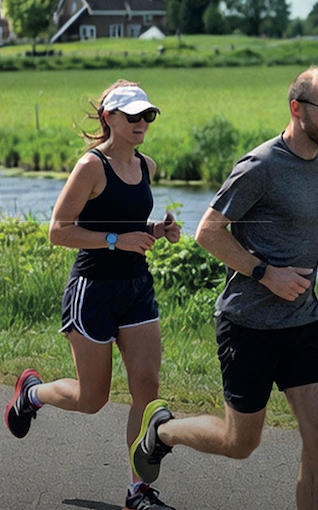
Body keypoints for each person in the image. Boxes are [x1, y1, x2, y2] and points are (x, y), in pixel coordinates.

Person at [129, 67, 318, 510]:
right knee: (239, 441)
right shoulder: (261, 166)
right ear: (297, 108)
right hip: (248, 323)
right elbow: (209, 231)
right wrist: (266, 273)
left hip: (303, 322)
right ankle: (162, 431)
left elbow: (291, 227)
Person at [4, 80, 181, 510]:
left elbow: (127, 221)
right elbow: (58, 231)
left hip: (137, 289)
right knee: (92, 399)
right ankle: (31, 394)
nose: (142, 123)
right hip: (93, 291)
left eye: (148, 115)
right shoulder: (92, 166)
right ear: (109, 118)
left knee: (148, 386)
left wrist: (157, 231)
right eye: (133, 115)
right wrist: (118, 240)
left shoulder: (146, 166)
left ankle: (138, 490)